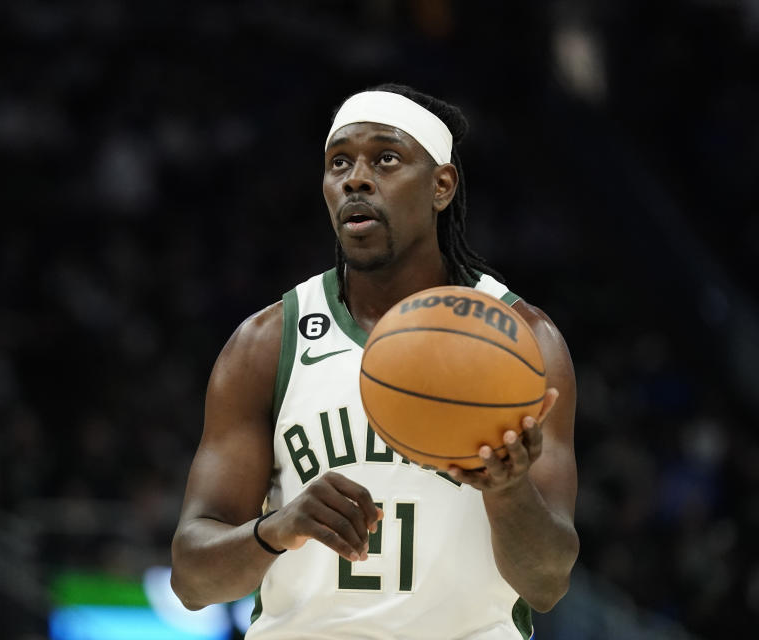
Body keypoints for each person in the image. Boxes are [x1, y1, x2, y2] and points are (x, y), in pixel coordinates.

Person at [171, 84, 578, 639]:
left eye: (386, 158)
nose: (355, 179)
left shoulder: (525, 340)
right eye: (339, 162)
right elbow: (192, 581)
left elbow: (548, 582)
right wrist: (276, 528)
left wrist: (508, 492)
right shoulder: (267, 342)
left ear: (441, 186)